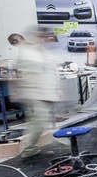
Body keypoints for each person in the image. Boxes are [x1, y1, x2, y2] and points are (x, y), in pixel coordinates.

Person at [10, 27, 60, 158]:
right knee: (39, 121)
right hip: (34, 93)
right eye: (43, 36)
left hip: (46, 93)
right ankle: (29, 149)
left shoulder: (44, 52)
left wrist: (56, 89)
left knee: (40, 121)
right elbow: (20, 75)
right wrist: (18, 92)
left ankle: (31, 148)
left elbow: (50, 72)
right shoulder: (27, 52)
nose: (46, 39)